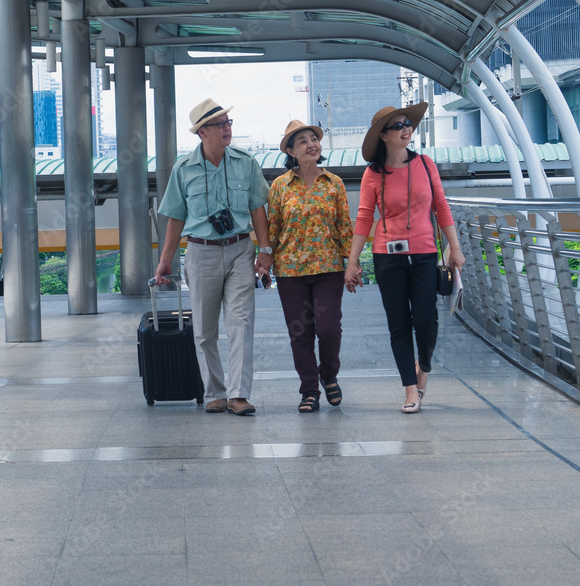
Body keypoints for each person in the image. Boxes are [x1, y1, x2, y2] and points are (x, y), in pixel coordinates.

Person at [154, 99, 273, 416]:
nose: (227, 128)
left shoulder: (246, 162)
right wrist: (165, 258)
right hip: (200, 251)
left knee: (241, 324)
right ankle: (215, 392)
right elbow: (175, 218)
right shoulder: (184, 168)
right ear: (202, 132)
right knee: (204, 331)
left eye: (229, 122)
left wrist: (265, 250)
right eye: (220, 124)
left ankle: (238, 394)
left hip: (239, 251)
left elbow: (258, 208)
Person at [344, 103, 465, 414]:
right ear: (383, 136)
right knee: (399, 324)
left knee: (427, 320)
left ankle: (423, 366)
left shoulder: (425, 165)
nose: (406, 128)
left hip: (425, 253)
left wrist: (455, 248)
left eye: (408, 123)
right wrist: (352, 262)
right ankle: (410, 388)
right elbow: (363, 218)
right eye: (398, 125)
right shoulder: (373, 174)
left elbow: (441, 207)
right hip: (387, 256)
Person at [268, 120, 352, 413]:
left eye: (313, 139)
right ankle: (309, 389)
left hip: (328, 268)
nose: (311, 144)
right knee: (299, 333)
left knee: (328, 329)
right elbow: (273, 229)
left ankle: (329, 375)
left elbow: (345, 227)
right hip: (290, 271)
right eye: (302, 141)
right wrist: (266, 261)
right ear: (291, 151)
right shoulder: (279, 187)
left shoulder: (334, 183)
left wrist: (352, 265)